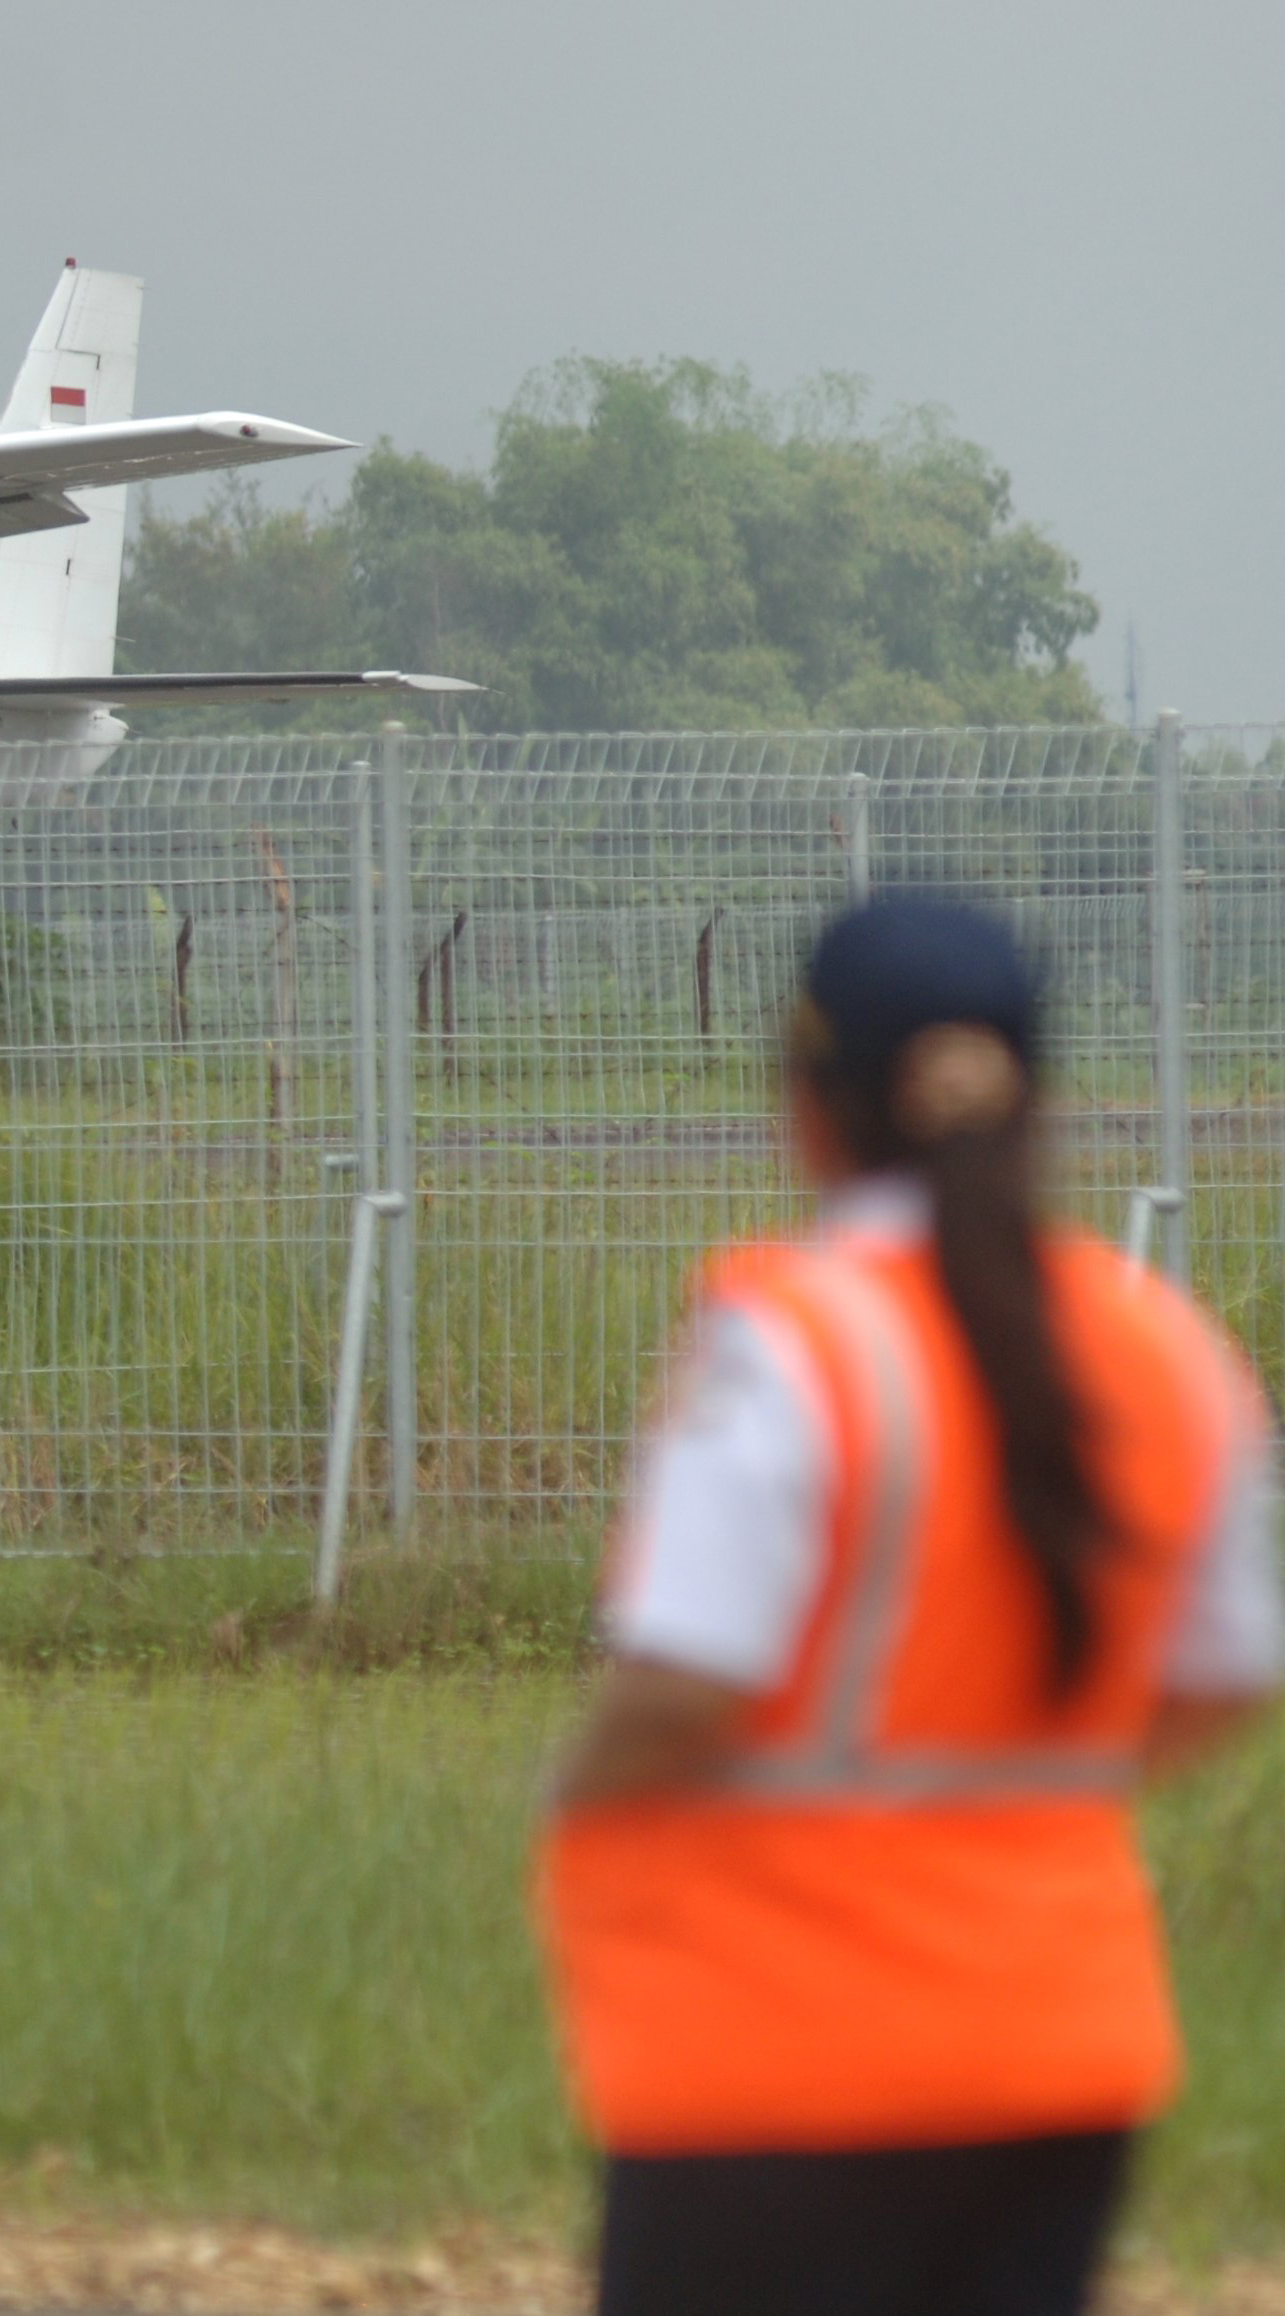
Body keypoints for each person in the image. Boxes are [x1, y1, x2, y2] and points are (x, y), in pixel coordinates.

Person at [537, 893, 1283, 2316]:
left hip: (770, 2065)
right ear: (1036, 1101)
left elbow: (683, 1677)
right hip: (1060, 2058)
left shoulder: (789, 1340)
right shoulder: (1162, 1349)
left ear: (810, 1109)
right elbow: (1227, 1670)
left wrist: (569, 1795)